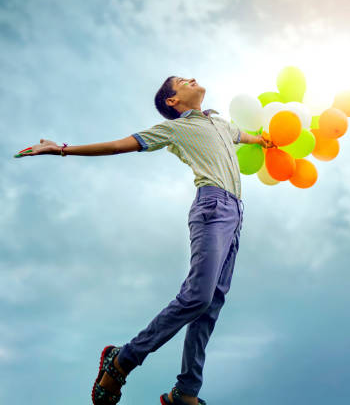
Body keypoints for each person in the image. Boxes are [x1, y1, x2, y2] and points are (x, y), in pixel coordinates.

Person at [15, 76, 275, 405]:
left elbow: (247, 136)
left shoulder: (221, 123)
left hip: (236, 214)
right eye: (182, 81)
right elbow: (117, 145)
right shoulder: (175, 128)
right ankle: (122, 359)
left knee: (211, 304)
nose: (192, 78)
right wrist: (62, 149)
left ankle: (186, 392)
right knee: (198, 296)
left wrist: (264, 140)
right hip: (212, 208)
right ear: (173, 101)